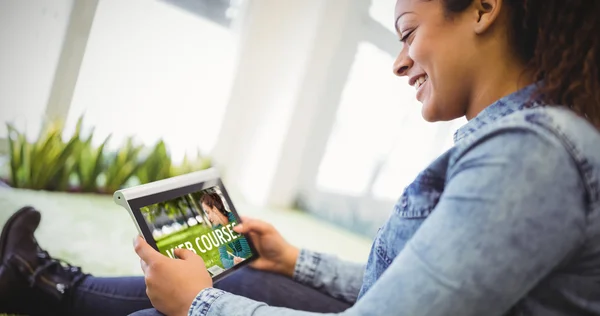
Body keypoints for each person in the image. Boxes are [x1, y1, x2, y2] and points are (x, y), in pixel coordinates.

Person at [1, 0, 599, 315]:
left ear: (483, 8)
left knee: (183, 308)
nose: (397, 61)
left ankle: (43, 286)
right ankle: (46, 282)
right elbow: (399, 288)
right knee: (247, 271)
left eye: (408, 30)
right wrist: (293, 260)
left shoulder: (533, 154)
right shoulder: (526, 140)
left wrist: (197, 305)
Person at [199, 192, 252, 269]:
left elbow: (247, 252)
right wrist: (233, 262)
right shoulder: (216, 228)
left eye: (208, 212)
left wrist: (231, 258)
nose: (209, 218)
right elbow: (223, 258)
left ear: (215, 209)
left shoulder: (234, 219)